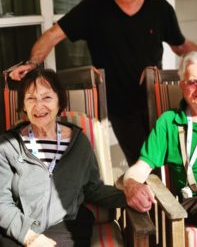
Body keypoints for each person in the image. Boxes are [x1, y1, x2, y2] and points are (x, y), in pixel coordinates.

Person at [9, 0, 197, 166]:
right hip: (120, 106)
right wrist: (32, 63)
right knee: (143, 162)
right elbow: (51, 36)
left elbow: (181, 47)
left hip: (155, 99)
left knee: (173, 157)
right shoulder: (92, 9)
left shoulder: (160, 9)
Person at [123, 50, 197, 246]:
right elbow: (140, 167)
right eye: (192, 82)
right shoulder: (170, 122)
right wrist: (131, 185)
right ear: (182, 86)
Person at [0, 68, 126, 247]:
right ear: (23, 106)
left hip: (67, 225)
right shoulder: (7, 146)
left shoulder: (78, 143)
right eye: (31, 99)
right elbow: (1, 202)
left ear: (60, 101)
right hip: (20, 227)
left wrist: (128, 195)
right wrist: (29, 237)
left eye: (47, 98)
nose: (39, 106)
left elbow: (92, 189)